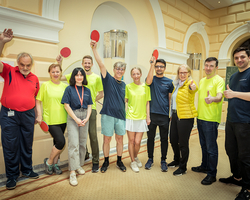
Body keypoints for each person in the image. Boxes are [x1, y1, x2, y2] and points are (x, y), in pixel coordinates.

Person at [0, 29, 40, 190]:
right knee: (10, 145)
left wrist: (38, 115)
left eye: (28, 65)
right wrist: (2, 41)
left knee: (26, 143)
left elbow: (35, 98)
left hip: (28, 115)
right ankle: (11, 176)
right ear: (18, 64)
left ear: (31, 64)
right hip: (9, 114)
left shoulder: (34, 78)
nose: (25, 67)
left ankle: (27, 170)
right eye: (22, 65)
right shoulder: (9, 71)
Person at [60, 54, 104, 173]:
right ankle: (79, 161)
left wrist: (91, 100)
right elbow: (60, 77)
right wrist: (59, 63)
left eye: (89, 63)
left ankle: (95, 161)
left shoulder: (96, 78)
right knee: (77, 140)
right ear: (82, 64)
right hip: (75, 112)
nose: (87, 65)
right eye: (85, 63)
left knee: (92, 136)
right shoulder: (75, 75)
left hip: (91, 110)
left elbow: (102, 93)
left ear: (92, 64)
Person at [91, 40, 127, 173]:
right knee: (107, 139)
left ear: (124, 72)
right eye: (117, 68)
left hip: (121, 116)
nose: (119, 71)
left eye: (122, 69)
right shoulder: (108, 79)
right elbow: (101, 64)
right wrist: (94, 49)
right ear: (114, 70)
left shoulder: (125, 85)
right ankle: (106, 161)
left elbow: (127, 101)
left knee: (120, 139)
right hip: (107, 115)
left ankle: (119, 160)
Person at [222, 47, 250, 200]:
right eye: (237, 58)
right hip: (231, 120)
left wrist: (234, 94)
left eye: (242, 57)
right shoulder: (233, 77)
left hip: (245, 121)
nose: (239, 60)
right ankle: (237, 177)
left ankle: (247, 188)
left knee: (245, 156)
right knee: (231, 151)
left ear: (248, 58)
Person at [191, 57, 224, 185]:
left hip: (211, 120)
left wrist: (213, 98)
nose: (208, 68)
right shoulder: (202, 80)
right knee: (203, 145)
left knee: (211, 148)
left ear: (216, 67)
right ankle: (204, 166)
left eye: (211, 66)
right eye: (206, 65)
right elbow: (199, 93)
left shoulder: (219, 80)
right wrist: (194, 89)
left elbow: (220, 96)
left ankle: (211, 174)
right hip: (200, 118)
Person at [61, 68, 92, 186]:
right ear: (73, 77)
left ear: (84, 77)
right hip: (73, 116)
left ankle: (78, 165)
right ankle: (72, 172)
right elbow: (66, 106)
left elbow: (89, 105)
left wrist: (87, 118)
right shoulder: (69, 89)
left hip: (85, 117)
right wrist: (76, 119)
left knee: (82, 143)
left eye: (81, 75)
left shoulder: (87, 90)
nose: (79, 77)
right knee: (73, 144)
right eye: (77, 75)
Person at [36, 64, 68, 175]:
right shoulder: (45, 85)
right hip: (50, 120)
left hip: (63, 119)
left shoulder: (64, 86)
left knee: (56, 143)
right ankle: (49, 162)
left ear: (61, 73)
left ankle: (55, 164)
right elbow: (38, 100)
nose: (55, 74)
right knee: (61, 141)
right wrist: (39, 115)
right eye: (53, 72)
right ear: (49, 73)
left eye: (57, 71)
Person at [145, 56, 174, 172]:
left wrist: (170, 113)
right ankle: (150, 159)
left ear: (164, 68)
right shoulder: (151, 79)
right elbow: (147, 82)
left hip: (164, 115)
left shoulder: (169, 82)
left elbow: (170, 98)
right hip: (152, 114)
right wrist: (152, 64)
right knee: (150, 138)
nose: (159, 68)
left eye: (161, 66)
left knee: (163, 139)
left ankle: (163, 160)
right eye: (157, 66)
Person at [169, 64, 198, 176]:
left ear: (189, 73)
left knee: (183, 143)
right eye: (180, 72)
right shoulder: (176, 84)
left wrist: (193, 87)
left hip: (186, 117)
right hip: (176, 116)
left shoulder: (190, 83)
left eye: (185, 73)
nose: (182, 75)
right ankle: (177, 160)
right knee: (172, 139)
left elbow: (193, 88)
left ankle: (183, 167)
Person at [125, 67, 151, 173]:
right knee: (131, 141)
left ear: (141, 74)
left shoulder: (146, 87)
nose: (136, 76)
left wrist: (148, 117)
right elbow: (125, 101)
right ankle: (132, 161)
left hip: (141, 118)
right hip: (130, 117)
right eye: (133, 74)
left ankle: (135, 157)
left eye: (137, 74)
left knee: (138, 141)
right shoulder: (128, 87)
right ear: (131, 76)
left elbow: (147, 103)